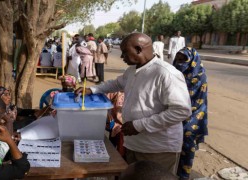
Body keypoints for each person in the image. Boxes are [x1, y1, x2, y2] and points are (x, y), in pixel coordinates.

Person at [75, 33, 191, 175]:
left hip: (157, 149)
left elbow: (181, 111)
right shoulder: (133, 70)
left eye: (124, 52)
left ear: (138, 49)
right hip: (134, 143)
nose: (121, 57)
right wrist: (92, 90)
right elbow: (116, 83)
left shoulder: (166, 73)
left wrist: (139, 125)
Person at [173, 47, 208, 180]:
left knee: (187, 143)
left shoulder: (199, 76)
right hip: (175, 112)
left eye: (184, 60)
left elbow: (195, 99)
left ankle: (184, 175)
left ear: (192, 61)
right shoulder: (173, 72)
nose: (180, 62)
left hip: (194, 113)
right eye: (178, 59)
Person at [106, 91, 125, 157]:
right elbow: (105, 99)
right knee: (112, 149)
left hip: (130, 127)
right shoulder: (117, 92)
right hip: (114, 124)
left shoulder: (135, 93)